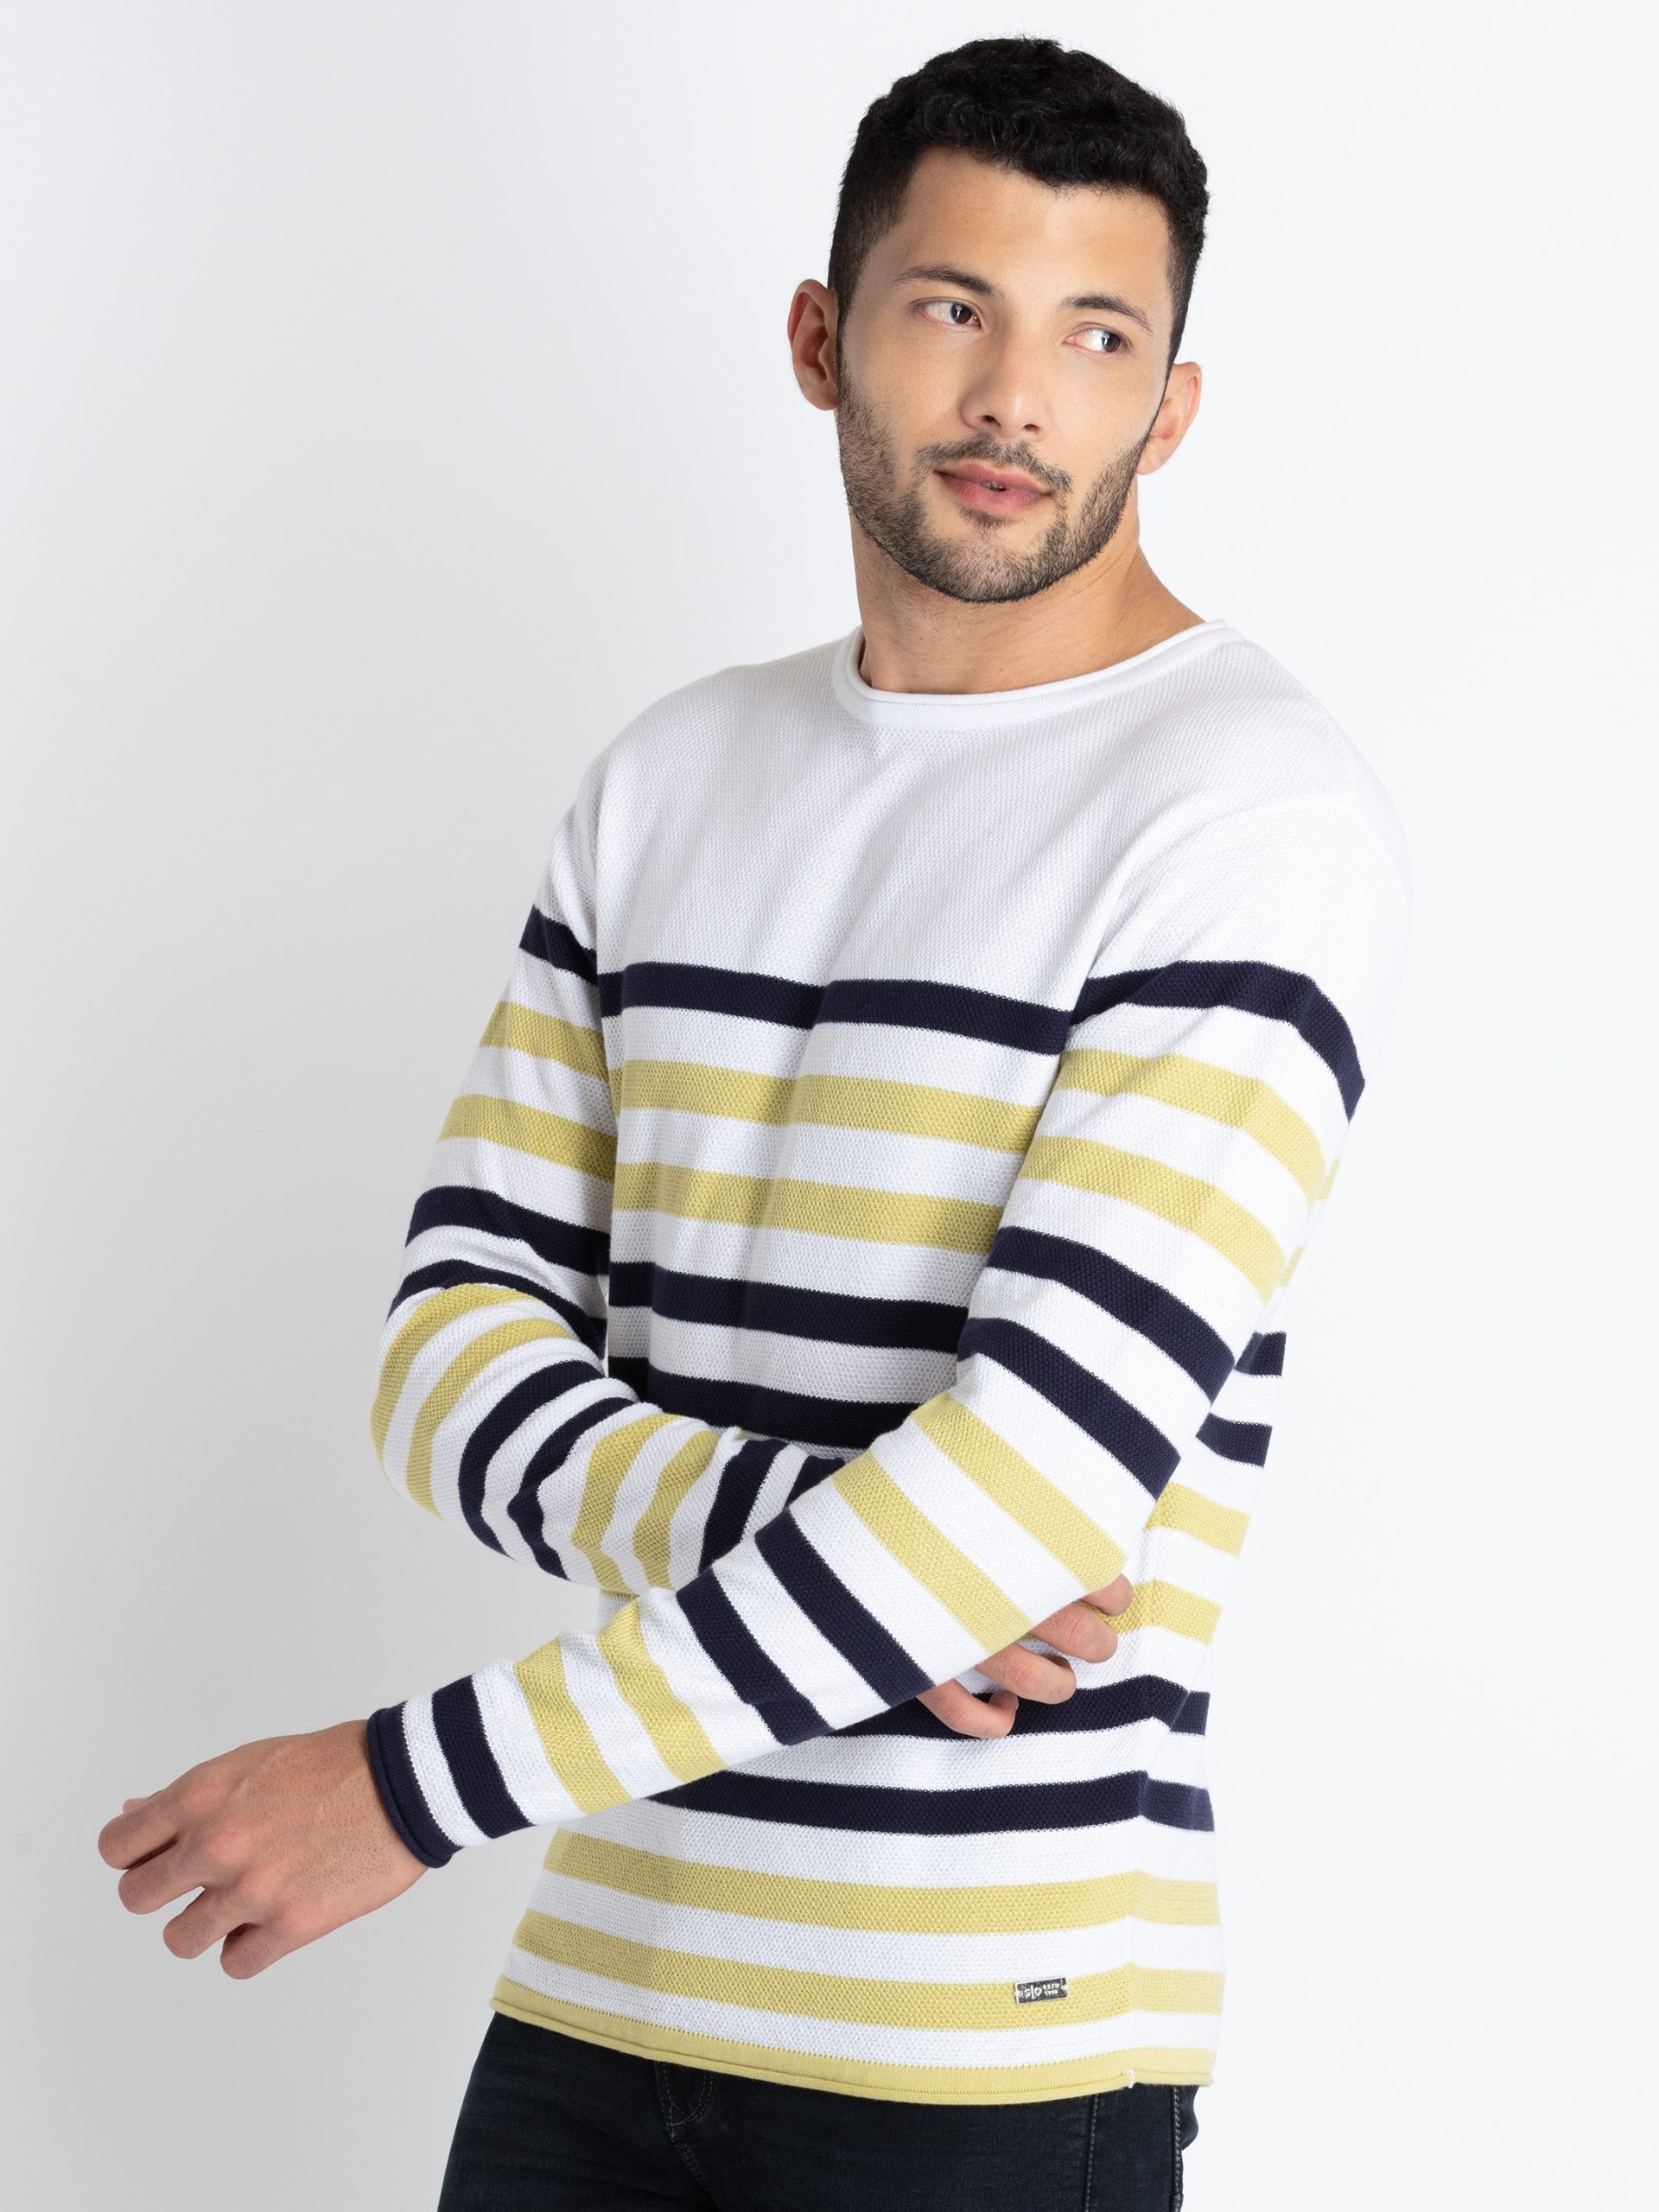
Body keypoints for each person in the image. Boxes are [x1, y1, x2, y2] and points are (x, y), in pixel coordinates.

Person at [98, 35, 1412, 2210]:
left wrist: (415, 1783)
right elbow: (443, 1358)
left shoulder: (1246, 814)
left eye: (1097, 335)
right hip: (600, 2004)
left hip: (981, 2059)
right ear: (823, 337)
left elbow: (1034, 1495)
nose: (1016, 396)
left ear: (1171, 408)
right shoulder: (671, 779)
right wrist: (838, 1531)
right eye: (952, 306)